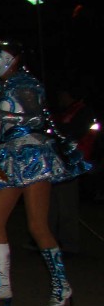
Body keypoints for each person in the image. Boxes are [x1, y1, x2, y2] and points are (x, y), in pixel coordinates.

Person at [0, 22, 91, 306]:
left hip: (32, 155)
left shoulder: (26, 84)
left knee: (37, 225)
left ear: (15, 58)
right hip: (7, 157)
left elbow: (34, 120)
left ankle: (62, 287)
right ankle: (2, 286)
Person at [47, 85, 98, 254]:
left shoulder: (83, 112)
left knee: (66, 204)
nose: (60, 98)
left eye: (63, 94)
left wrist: (56, 129)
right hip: (56, 162)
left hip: (70, 164)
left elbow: (74, 134)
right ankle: (50, 240)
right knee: (52, 203)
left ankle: (69, 244)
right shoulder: (64, 111)